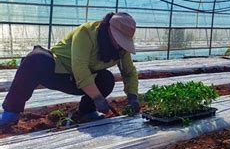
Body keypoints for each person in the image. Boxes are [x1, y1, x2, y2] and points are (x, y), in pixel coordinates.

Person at [0, 12, 140, 128]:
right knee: (35, 59)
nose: (120, 44)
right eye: (119, 39)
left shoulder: (121, 49)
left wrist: (133, 97)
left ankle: (87, 112)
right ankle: (11, 112)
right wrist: (98, 98)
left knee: (107, 79)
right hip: (58, 71)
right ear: (109, 30)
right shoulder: (86, 33)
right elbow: (80, 69)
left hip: (82, 82)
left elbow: (129, 72)